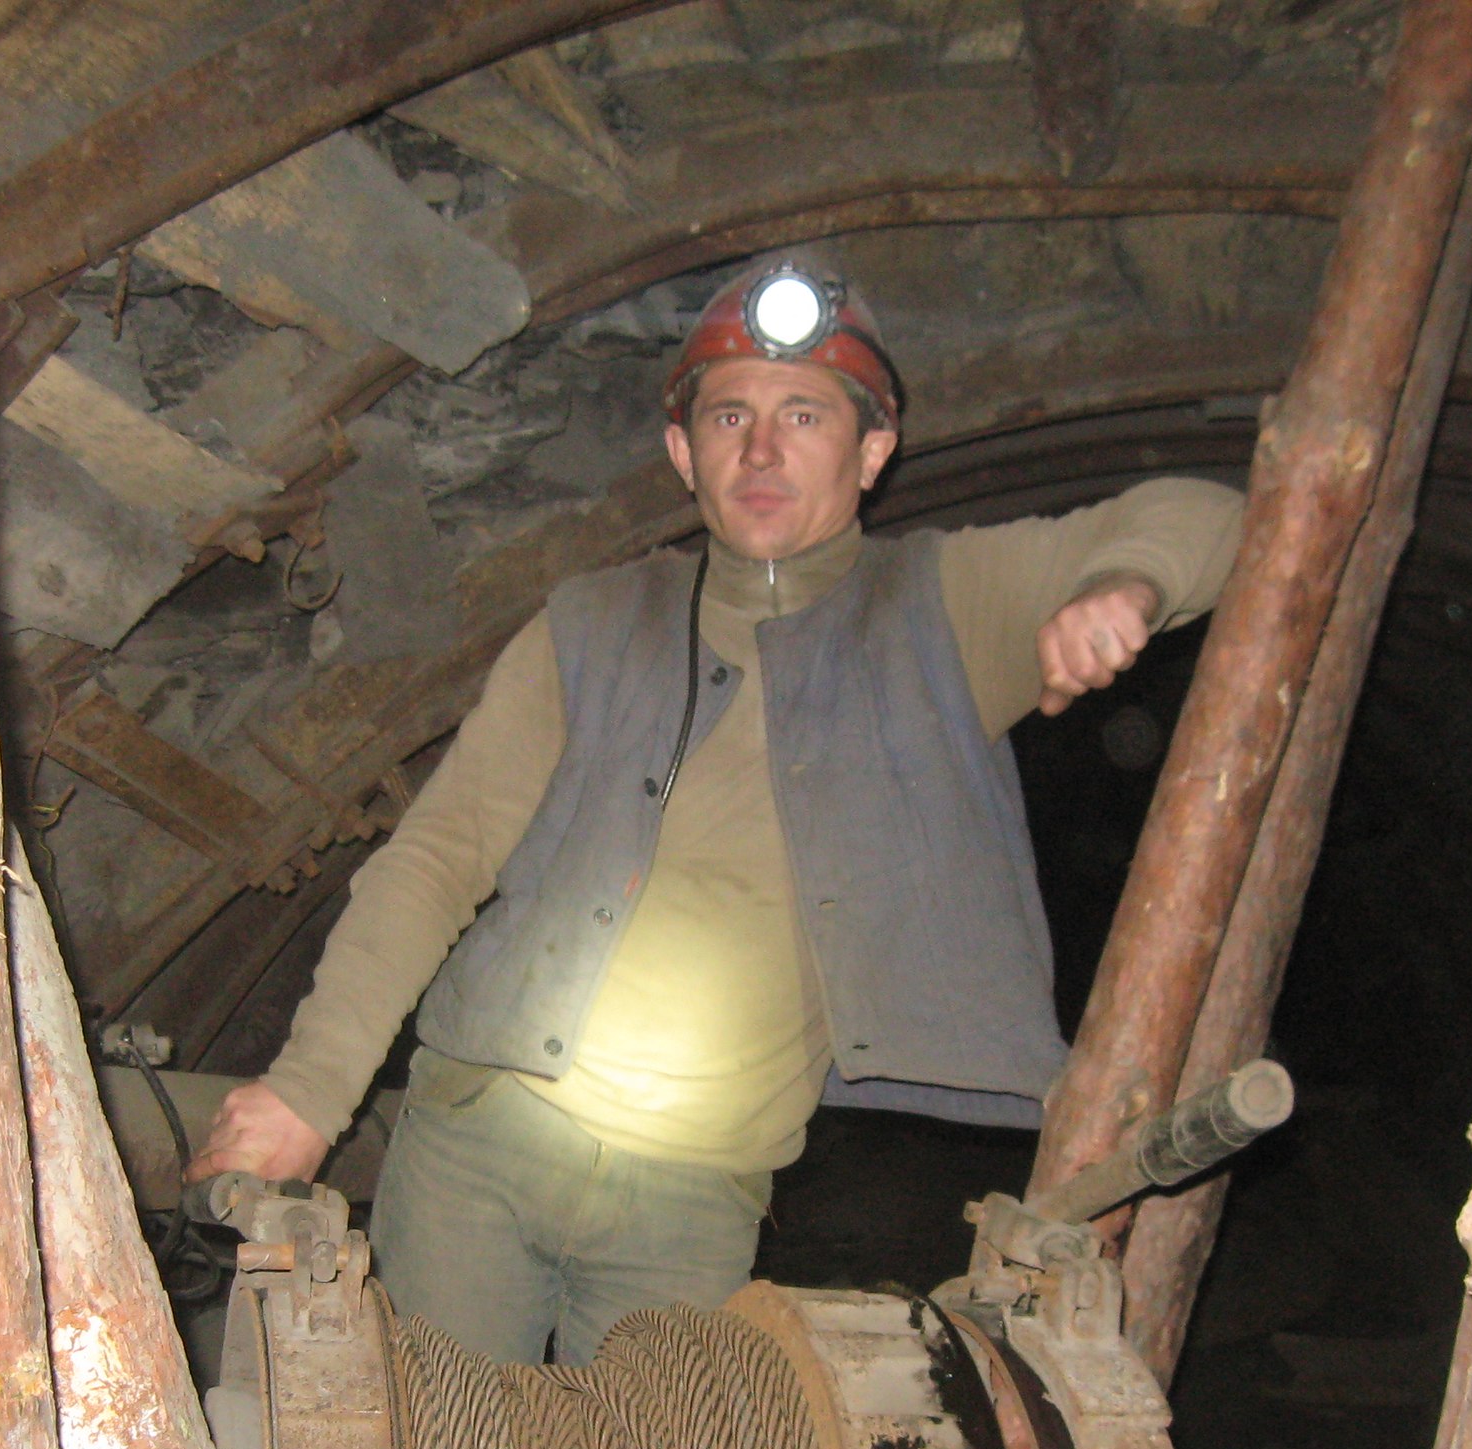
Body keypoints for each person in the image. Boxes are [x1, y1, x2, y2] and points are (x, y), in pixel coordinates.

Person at [192, 258, 1243, 1364]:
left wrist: (1125, 584)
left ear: (872, 451)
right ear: (683, 452)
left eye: (805, 415)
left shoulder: (939, 609)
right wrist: (310, 1089)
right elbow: (438, 855)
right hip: (477, 1151)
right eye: (730, 416)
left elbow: (1214, 516)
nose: (762, 449)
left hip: (692, 1204)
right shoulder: (597, 622)